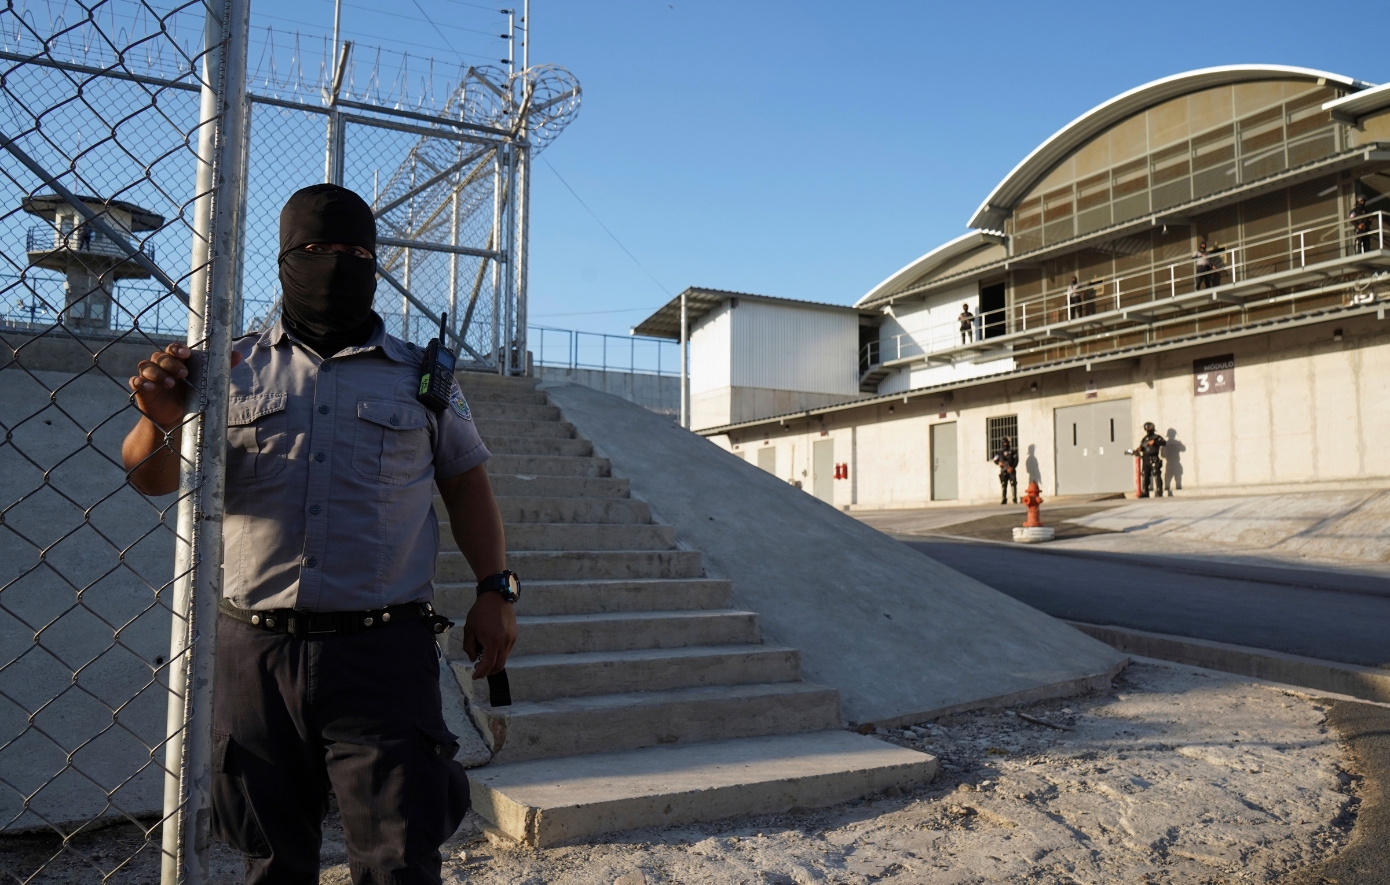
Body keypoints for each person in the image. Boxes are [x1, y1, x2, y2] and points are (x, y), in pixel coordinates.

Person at [120, 184, 517, 884]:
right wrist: (160, 420)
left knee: (400, 858)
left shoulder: (422, 376)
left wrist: (496, 589)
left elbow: (466, 482)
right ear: (284, 261)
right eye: (315, 248)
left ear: (375, 263)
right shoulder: (224, 368)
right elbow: (149, 477)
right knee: (270, 859)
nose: (336, 263)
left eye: (354, 252)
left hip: (383, 652)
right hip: (254, 652)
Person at [1126, 421, 1167, 498]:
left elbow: (1164, 443)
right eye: (1146, 427)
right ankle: (1145, 492)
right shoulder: (1144, 439)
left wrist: (1155, 442)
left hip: (1154, 457)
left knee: (1156, 473)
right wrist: (1139, 449)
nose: (1148, 429)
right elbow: (1142, 447)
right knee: (1145, 474)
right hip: (1145, 458)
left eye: (1149, 427)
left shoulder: (1156, 437)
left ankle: (1159, 491)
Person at [992, 436, 1019, 505]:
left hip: (1011, 470)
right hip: (1004, 471)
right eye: (1004, 443)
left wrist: (1012, 467)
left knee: (1013, 483)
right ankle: (1004, 498)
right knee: (1004, 484)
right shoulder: (1000, 453)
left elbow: (1016, 460)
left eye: (1006, 443)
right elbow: (995, 459)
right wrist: (999, 463)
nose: (1005, 444)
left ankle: (1014, 499)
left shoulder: (1012, 452)